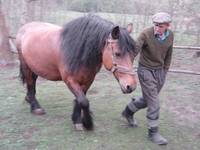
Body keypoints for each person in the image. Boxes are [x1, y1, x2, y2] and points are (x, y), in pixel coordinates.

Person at [122, 12, 174, 145]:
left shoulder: (171, 36)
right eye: (155, 25)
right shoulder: (146, 34)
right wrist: (127, 67)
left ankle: (128, 111)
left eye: (160, 26)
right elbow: (134, 50)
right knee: (154, 102)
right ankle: (153, 132)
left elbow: (169, 53)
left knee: (147, 100)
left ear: (168, 26)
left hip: (160, 72)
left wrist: (165, 70)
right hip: (145, 71)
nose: (157, 28)